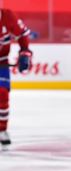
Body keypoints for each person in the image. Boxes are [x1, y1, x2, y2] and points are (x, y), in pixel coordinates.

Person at [0, 8, 32, 147]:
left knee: (2, 94)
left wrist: (25, 52)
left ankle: (2, 130)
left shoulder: (8, 16)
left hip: (1, 62)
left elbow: (22, 35)